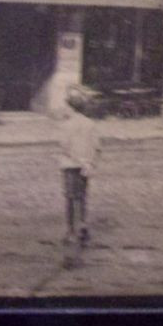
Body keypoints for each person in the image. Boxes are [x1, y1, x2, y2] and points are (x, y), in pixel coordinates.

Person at [57, 95, 104, 247]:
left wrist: (79, 160)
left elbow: (65, 146)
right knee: (82, 196)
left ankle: (70, 230)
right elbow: (97, 147)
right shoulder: (90, 124)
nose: (64, 109)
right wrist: (90, 163)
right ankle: (82, 225)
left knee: (70, 198)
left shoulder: (66, 125)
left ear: (71, 108)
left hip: (71, 165)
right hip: (86, 166)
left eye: (66, 107)